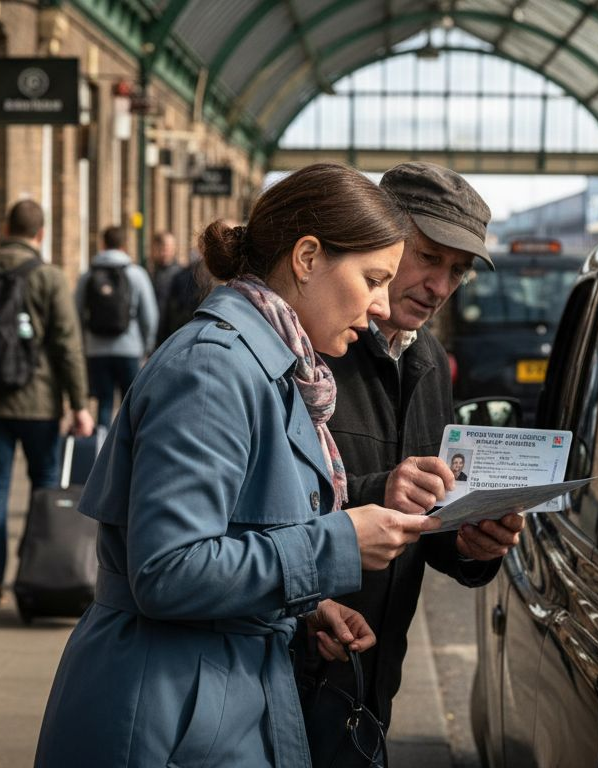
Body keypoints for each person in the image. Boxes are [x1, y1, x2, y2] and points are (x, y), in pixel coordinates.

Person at [35, 163, 444, 767]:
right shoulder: (213, 370)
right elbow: (168, 569)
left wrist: (307, 606)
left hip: (208, 695)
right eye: (373, 279)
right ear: (307, 258)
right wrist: (338, 544)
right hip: (167, 712)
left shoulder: (272, 366)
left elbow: (232, 532)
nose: (381, 306)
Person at [314, 161, 525, 735]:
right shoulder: (316, 344)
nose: (440, 287)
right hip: (292, 662)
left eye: (458, 271)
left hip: (375, 678)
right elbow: (257, 509)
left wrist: (470, 543)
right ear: (378, 237)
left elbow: (427, 521)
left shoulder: (428, 360)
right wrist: (377, 491)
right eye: (429, 257)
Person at [0, 200, 95, 611]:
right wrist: (79, 404)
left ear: (5, 228)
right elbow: (66, 344)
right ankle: (37, 577)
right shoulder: (48, 276)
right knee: (44, 489)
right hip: (37, 403)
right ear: (40, 234)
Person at [74, 226, 158, 429]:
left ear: (102, 244)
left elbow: (76, 311)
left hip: (96, 350)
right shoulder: (136, 274)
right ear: (124, 245)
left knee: (104, 403)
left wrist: (85, 343)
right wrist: (147, 347)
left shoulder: (88, 275)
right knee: (131, 404)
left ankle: (102, 442)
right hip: (130, 349)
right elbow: (150, 315)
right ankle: (127, 446)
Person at [149, 229, 182, 312]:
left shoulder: (180, 274)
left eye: (168, 247)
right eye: (162, 247)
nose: (164, 251)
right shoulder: (150, 272)